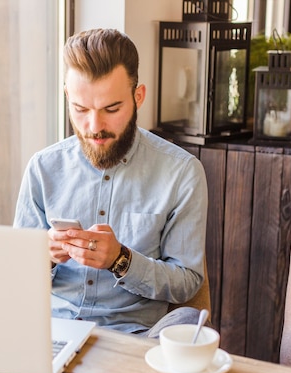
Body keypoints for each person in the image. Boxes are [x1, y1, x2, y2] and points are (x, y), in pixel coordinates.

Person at [13, 28, 208, 337]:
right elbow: (15, 276)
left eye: (111, 109)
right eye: (80, 109)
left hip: (132, 340)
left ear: (138, 96)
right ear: (67, 97)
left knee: (183, 322)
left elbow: (187, 283)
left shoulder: (182, 172)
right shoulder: (42, 168)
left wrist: (122, 260)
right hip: (49, 334)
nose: (94, 127)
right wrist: (46, 257)